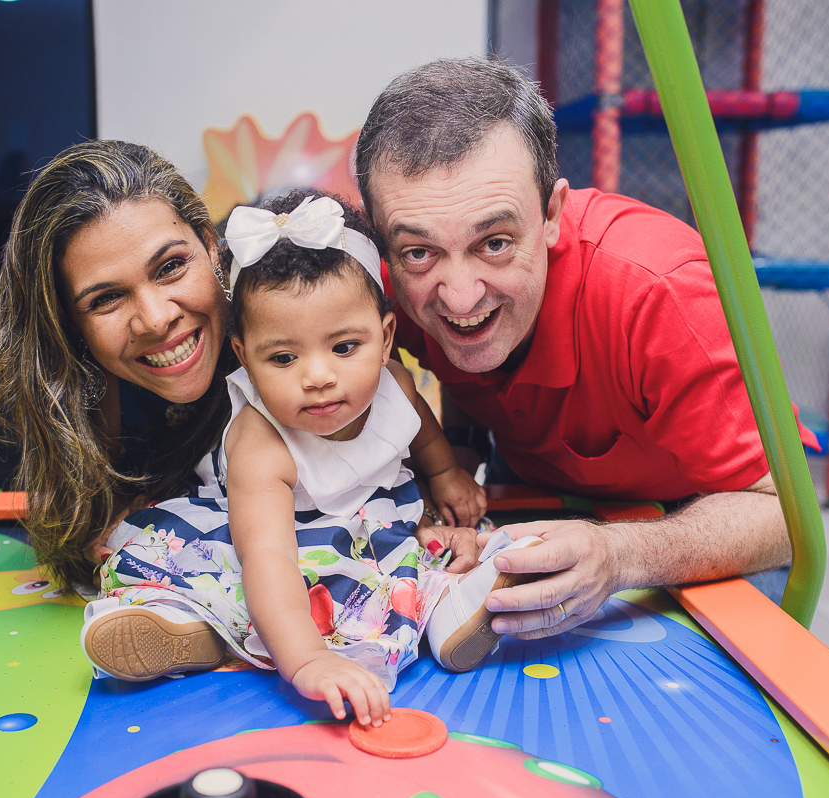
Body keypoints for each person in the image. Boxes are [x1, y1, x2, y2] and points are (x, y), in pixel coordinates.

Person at [355, 58, 821, 642]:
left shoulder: (661, 293)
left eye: (494, 243)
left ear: (551, 214)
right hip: (528, 480)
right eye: (419, 252)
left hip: (702, 515)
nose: (460, 295)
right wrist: (456, 465)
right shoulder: (380, 288)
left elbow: (785, 515)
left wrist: (619, 552)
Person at [83, 190, 539, 727]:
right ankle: (191, 624)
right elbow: (268, 561)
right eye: (282, 357)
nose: (318, 377)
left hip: (377, 524)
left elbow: (422, 434)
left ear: (386, 337)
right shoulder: (260, 443)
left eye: (344, 347)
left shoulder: (394, 383)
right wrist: (306, 661)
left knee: (447, 552)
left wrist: (444, 473)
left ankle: (457, 610)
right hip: (279, 539)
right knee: (241, 583)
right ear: (244, 359)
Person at [0, 139, 238, 601]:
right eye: (106, 298)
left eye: (170, 267)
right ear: (68, 323)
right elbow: (76, 533)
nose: (154, 318)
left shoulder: (283, 308)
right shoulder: (78, 396)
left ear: (210, 245)